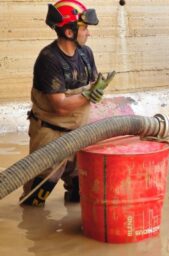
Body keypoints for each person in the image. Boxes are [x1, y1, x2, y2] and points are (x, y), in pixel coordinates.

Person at [21, 0, 115, 207]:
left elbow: (92, 83)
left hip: (79, 133)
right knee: (36, 198)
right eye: (84, 28)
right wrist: (89, 95)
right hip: (51, 135)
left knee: (81, 193)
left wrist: (97, 89)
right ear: (70, 32)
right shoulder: (49, 59)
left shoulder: (85, 53)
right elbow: (60, 106)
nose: (88, 33)